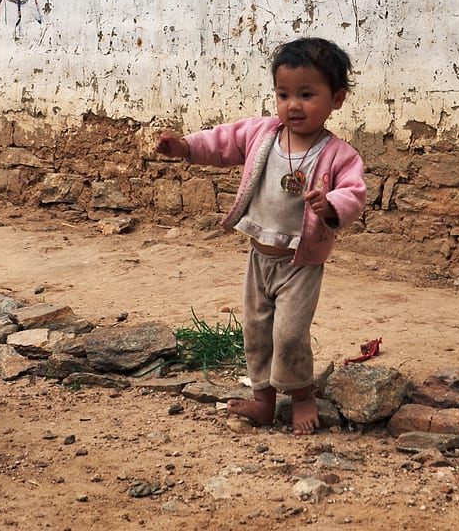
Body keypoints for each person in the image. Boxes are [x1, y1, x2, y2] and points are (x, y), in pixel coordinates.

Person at [157, 37, 366, 435]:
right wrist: (184, 147)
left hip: (299, 263)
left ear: (337, 99)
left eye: (307, 95)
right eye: (284, 94)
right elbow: (221, 142)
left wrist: (330, 205)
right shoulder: (262, 133)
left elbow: (355, 192)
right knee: (256, 333)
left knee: (288, 335)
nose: (293, 105)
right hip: (259, 257)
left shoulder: (339, 154)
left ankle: (301, 397)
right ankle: (264, 403)